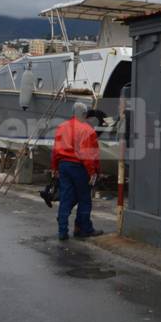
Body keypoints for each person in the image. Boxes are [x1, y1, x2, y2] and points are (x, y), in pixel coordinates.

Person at [51, 102, 104, 240]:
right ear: (85, 114)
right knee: (84, 199)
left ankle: (62, 231)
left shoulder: (62, 127)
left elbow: (56, 150)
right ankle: (83, 229)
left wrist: (55, 167)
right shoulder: (88, 130)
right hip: (79, 166)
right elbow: (90, 155)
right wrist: (93, 172)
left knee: (66, 197)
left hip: (64, 165)